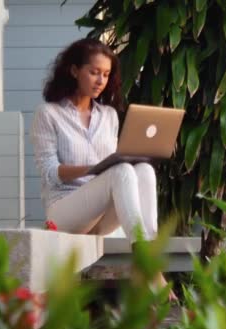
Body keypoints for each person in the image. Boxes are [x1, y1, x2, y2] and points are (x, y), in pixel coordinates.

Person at [31, 38, 175, 300]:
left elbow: (115, 169)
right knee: (119, 172)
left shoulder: (108, 115)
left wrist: (122, 160)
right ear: (75, 70)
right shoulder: (48, 114)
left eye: (106, 74)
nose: (100, 80)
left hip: (100, 215)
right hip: (64, 211)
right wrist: (95, 169)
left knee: (143, 169)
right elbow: (50, 172)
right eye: (94, 72)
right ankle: (148, 268)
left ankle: (148, 258)